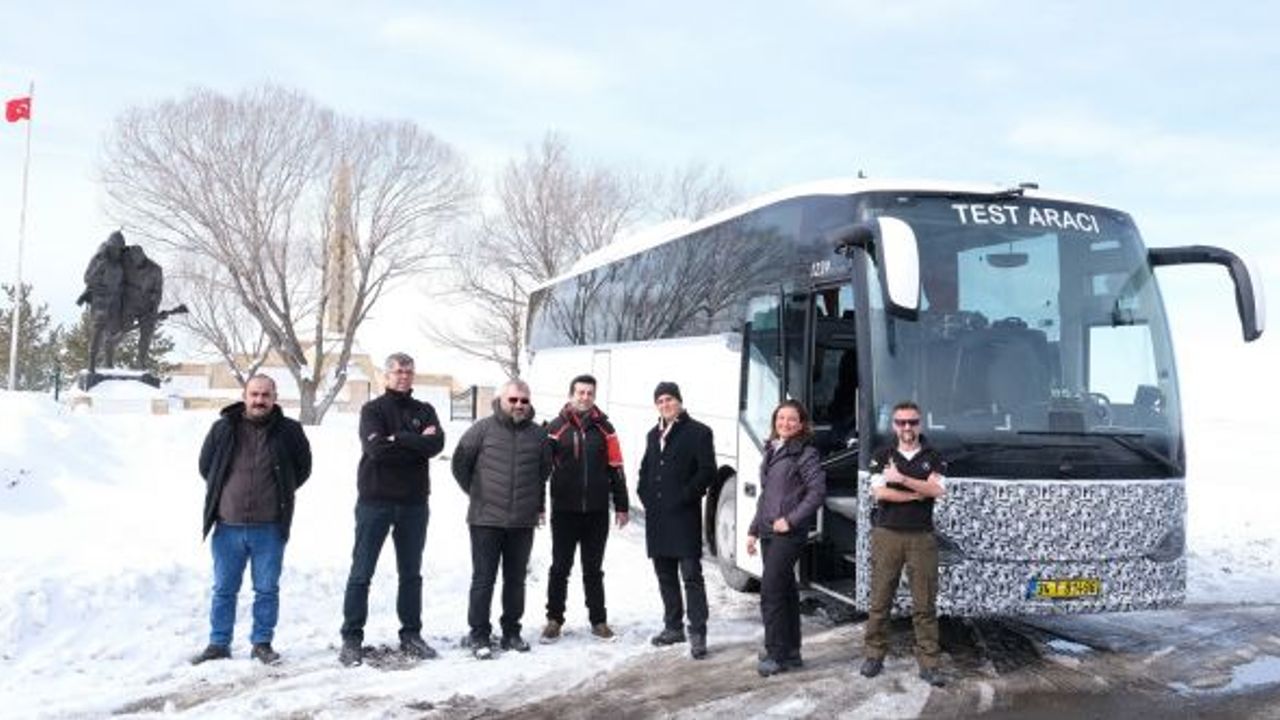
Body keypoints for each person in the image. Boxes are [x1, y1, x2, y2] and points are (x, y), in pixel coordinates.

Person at [192, 374, 312, 666]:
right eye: (254, 394)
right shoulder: (223, 428)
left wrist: (279, 490)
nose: (260, 400)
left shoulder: (289, 431)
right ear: (244, 396)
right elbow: (206, 467)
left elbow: (302, 469)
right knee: (224, 590)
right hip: (227, 526)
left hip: (269, 528)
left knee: (266, 590)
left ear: (275, 398)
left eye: (266, 395)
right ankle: (219, 643)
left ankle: (262, 643)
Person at [339, 353, 445, 667]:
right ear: (386, 376)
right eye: (397, 371)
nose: (403, 376)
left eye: (408, 371)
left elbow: (435, 446)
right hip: (375, 502)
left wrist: (397, 437)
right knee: (362, 572)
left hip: (414, 503)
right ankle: (351, 637)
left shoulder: (425, 410)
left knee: (411, 574)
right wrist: (415, 443)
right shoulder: (373, 410)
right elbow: (376, 450)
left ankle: (411, 634)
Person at [452, 379, 552, 659]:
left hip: (522, 522)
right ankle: (479, 634)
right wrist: (477, 494)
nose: (519, 405)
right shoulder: (481, 430)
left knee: (515, 580)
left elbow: (543, 473)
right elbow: (460, 464)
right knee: (483, 579)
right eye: (514, 400)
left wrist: (534, 505)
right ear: (501, 400)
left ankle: (511, 632)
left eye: (524, 400)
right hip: (486, 520)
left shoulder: (538, 436)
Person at [859, 401, 948, 687]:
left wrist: (902, 479)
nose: (907, 427)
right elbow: (880, 494)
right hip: (887, 534)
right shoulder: (881, 455)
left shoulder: (934, 456)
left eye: (912, 422)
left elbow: (937, 489)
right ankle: (874, 655)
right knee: (880, 599)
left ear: (920, 424)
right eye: (901, 422)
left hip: (922, 536)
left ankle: (929, 663)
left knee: (925, 603)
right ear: (894, 425)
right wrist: (916, 494)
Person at [541, 374, 630, 642]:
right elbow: (541, 470)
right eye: (580, 392)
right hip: (564, 511)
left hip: (596, 512)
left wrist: (622, 505)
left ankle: (598, 621)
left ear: (594, 396)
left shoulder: (605, 429)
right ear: (571, 395)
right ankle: (554, 619)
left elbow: (616, 467)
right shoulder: (555, 427)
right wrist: (538, 505)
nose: (585, 397)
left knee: (593, 570)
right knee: (560, 567)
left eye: (590, 393)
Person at [746, 400, 827, 677]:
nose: (785, 423)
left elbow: (817, 493)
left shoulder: (806, 453)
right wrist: (753, 530)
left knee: (771, 591)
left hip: (789, 533)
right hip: (768, 530)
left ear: (801, 424)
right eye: (781, 418)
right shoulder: (773, 449)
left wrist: (790, 520)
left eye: (792, 419)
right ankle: (791, 651)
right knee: (786, 590)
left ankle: (775, 654)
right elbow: (766, 496)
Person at [637, 381, 715, 660]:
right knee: (665, 575)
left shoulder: (699, 432)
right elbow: (645, 470)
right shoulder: (652, 435)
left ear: (679, 401)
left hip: (684, 516)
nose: (665, 405)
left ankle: (698, 632)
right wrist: (645, 496)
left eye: (669, 399)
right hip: (658, 517)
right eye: (660, 401)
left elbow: (707, 471)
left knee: (691, 576)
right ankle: (673, 627)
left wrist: (685, 496)